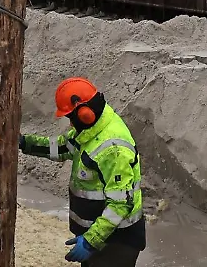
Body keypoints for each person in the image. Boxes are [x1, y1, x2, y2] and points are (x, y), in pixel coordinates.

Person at [19, 77, 146, 266]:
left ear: (84, 112)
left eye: (71, 117)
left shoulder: (113, 148)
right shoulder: (91, 130)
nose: (70, 124)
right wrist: (25, 143)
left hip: (116, 241)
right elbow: (62, 147)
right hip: (100, 237)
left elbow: (120, 204)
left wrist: (90, 241)